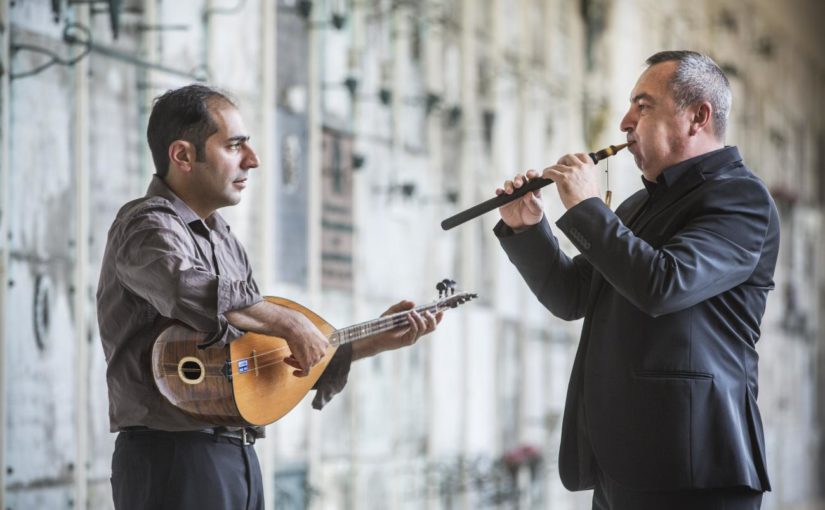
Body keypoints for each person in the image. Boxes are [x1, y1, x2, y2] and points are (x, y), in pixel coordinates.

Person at [97, 84, 442, 510]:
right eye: (234, 145)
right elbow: (181, 286)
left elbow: (256, 356)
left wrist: (370, 341)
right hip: (174, 458)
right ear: (183, 155)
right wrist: (290, 321)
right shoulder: (147, 226)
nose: (253, 160)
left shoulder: (224, 237)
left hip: (237, 456)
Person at [494, 51, 779, 509]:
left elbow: (664, 284)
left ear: (697, 116)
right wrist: (528, 229)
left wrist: (587, 208)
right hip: (621, 461)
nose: (626, 122)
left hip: (695, 465)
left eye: (642, 106)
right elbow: (573, 295)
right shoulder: (635, 207)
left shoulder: (741, 198)